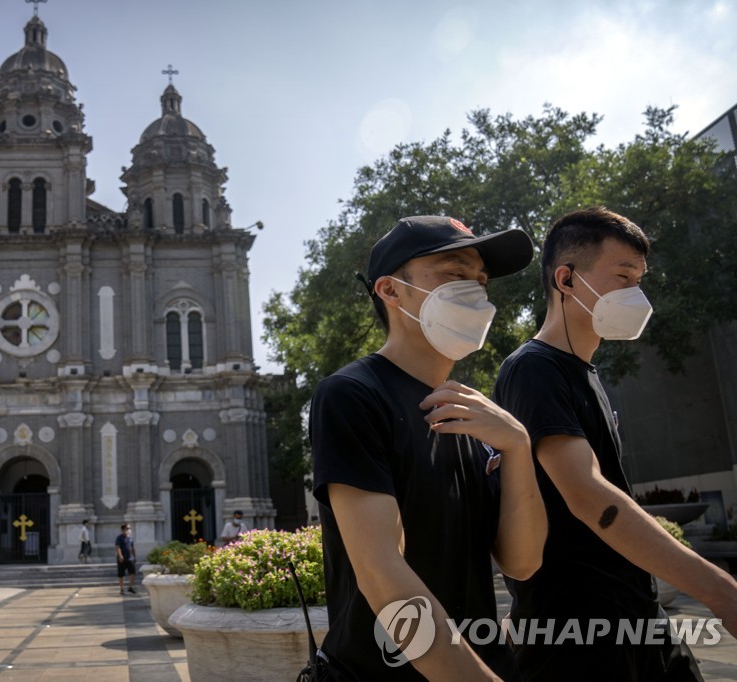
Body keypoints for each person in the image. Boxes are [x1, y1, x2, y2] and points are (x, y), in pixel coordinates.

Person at [493, 206, 737, 680]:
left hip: (638, 619)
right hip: (579, 636)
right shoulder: (533, 369)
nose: (637, 294)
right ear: (565, 280)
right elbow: (588, 497)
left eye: (640, 279)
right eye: (623, 276)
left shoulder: (585, 375)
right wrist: (722, 592)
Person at [311, 215, 547, 680]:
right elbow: (383, 575)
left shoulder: (473, 414)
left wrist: (518, 447)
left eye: (480, 281)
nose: (477, 293)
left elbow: (522, 561)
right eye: (454, 275)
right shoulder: (352, 395)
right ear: (391, 291)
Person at [115, 523, 137, 594]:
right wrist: (120, 556)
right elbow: (118, 547)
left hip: (130, 558)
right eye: (127, 528)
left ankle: (130, 587)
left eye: (129, 529)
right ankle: (121, 589)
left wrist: (134, 556)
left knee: (132, 573)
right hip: (122, 559)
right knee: (121, 574)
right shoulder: (119, 538)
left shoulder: (130, 538)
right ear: (123, 530)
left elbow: (133, 548)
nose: (129, 530)